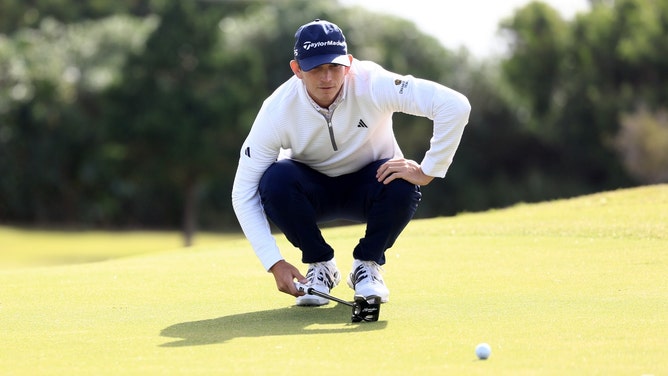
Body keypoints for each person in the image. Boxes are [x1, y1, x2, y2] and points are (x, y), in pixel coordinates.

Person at [231, 19, 470, 306]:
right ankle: (321, 266)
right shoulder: (277, 110)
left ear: (349, 62)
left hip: (371, 187)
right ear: (297, 69)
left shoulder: (372, 83)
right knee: (274, 180)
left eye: (334, 67)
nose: (327, 78)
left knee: (402, 181)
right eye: (316, 68)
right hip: (312, 192)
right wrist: (274, 262)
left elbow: (455, 106)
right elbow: (243, 192)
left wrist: (429, 170)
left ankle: (366, 266)